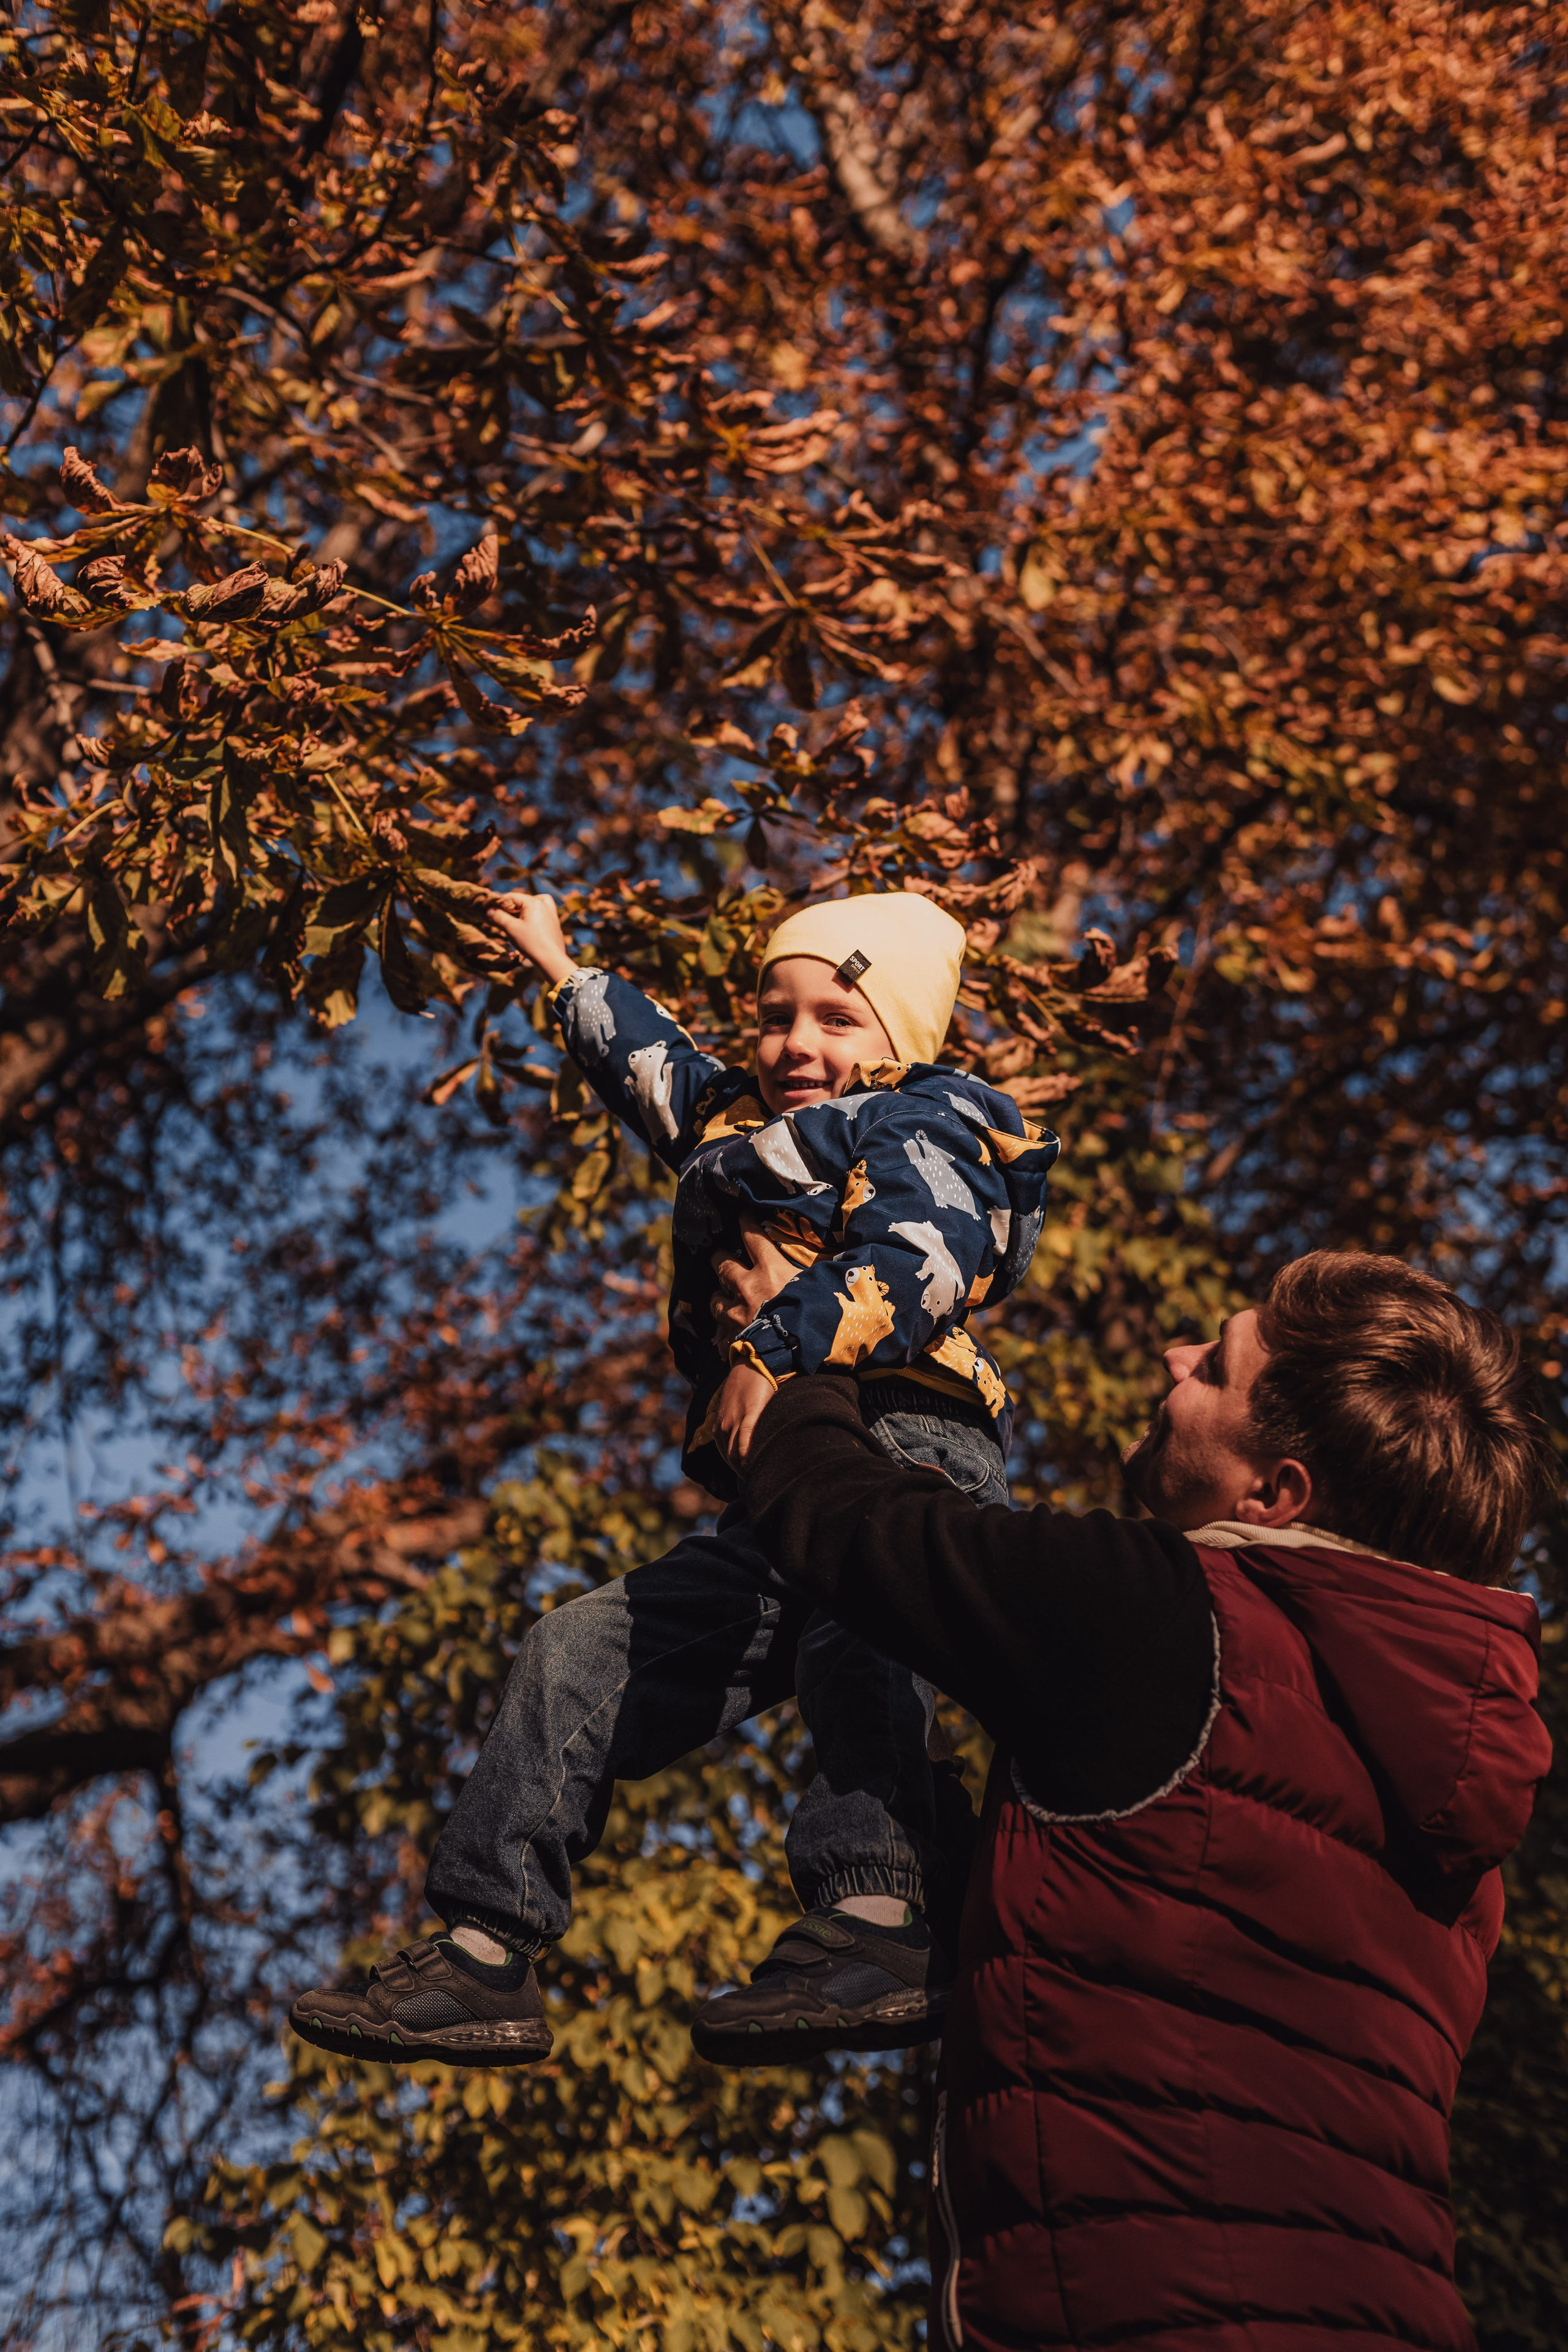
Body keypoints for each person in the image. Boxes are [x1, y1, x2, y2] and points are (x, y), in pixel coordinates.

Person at [729, 1247, 1553, 2352]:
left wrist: (806, 1338)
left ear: (1276, 1494)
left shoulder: (1168, 1615)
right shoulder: (1457, 1782)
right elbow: (1134, 1943)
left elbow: (854, 1524)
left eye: (1213, 1367)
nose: (1172, 1357)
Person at [288, 886, 1058, 2068]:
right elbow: (649, 1064)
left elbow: (921, 1258)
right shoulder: (740, 1128)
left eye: (839, 1019)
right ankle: (485, 1951)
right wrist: (556, 962)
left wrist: (771, 1351)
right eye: (775, 1013)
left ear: (902, 1037)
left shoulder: (925, 1118)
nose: (798, 1043)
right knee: (577, 1650)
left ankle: (879, 1912)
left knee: (856, 1634)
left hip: (905, 1434)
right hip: (775, 1495)